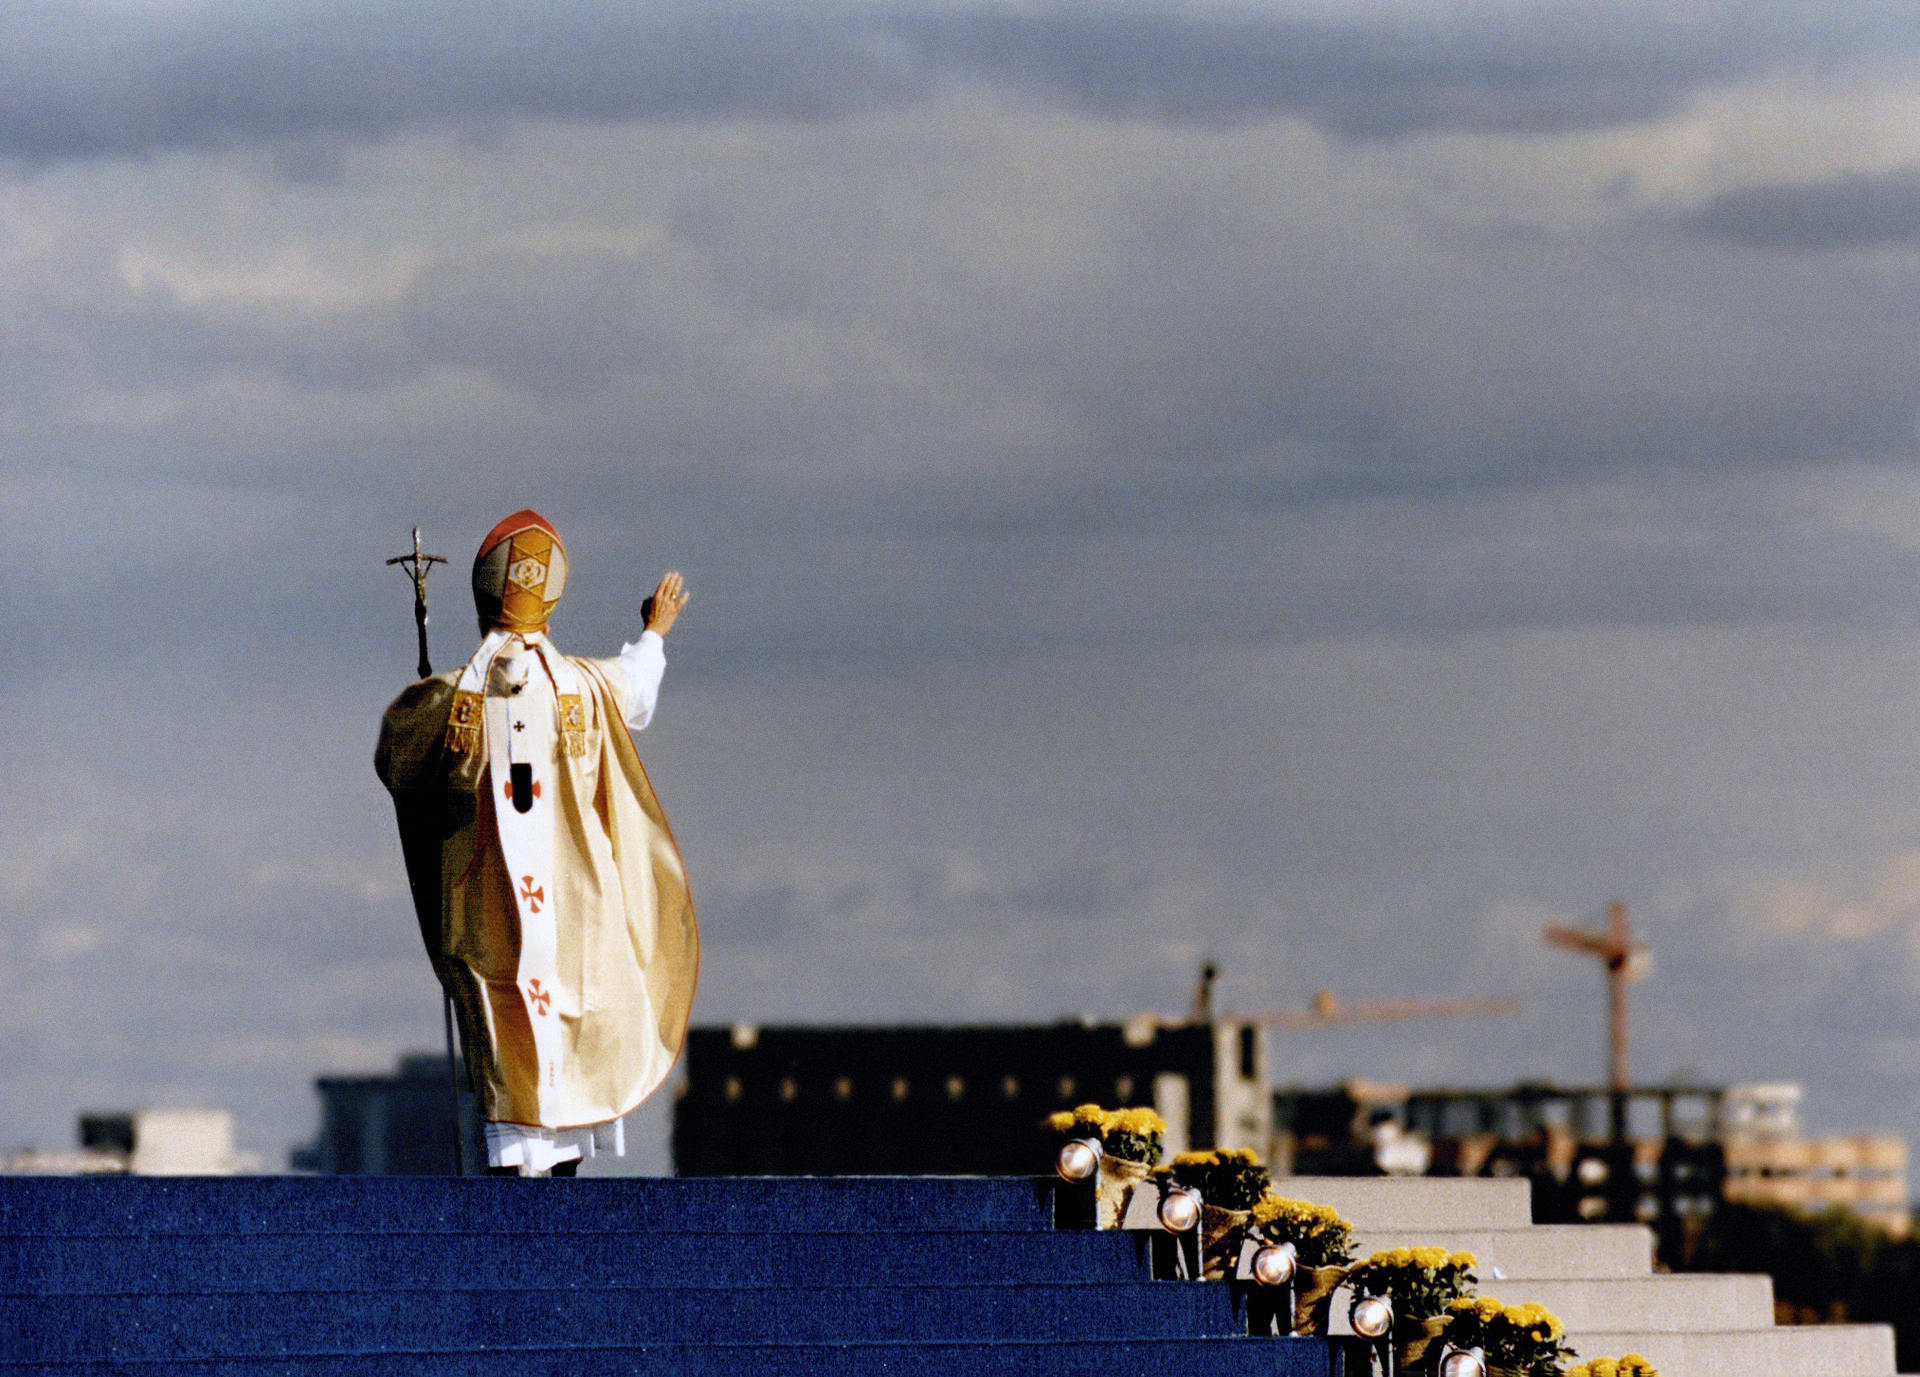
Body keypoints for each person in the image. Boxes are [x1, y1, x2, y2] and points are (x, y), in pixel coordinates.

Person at [376, 510, 698, 1176]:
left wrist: (426, 701)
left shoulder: (451, 699)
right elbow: (635, 689)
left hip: (489, 917)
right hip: (578, 918)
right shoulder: (583, 685)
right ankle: (561, 1192)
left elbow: (398, 759)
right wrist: (654, 631)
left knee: (506, 1050)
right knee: (568, 1049)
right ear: (547, 605)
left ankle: (511, 1199)